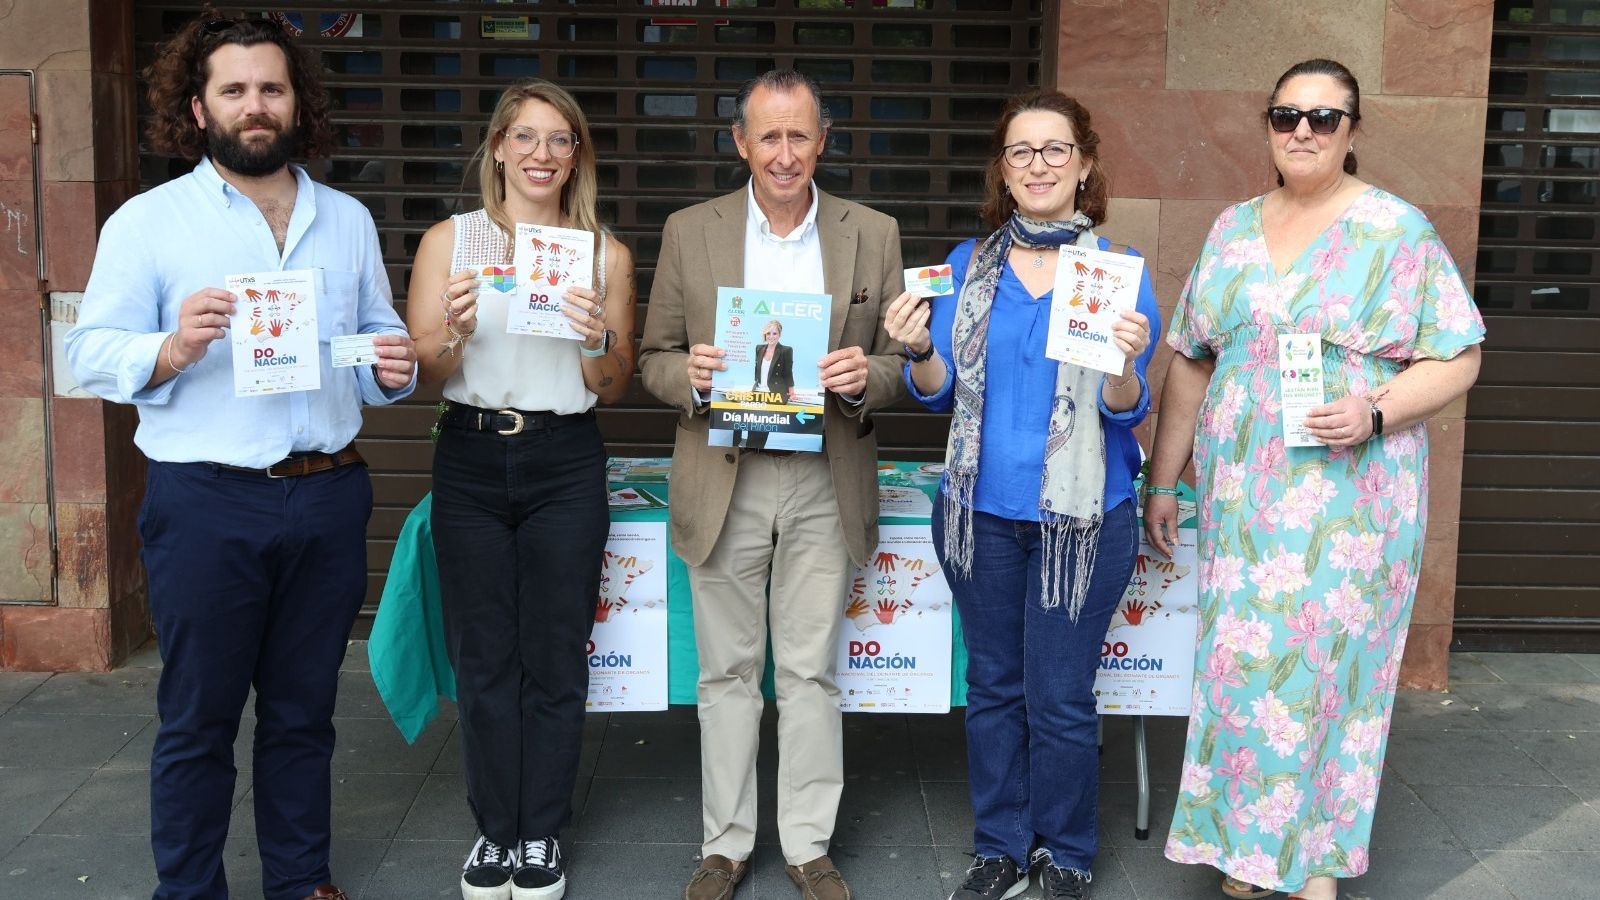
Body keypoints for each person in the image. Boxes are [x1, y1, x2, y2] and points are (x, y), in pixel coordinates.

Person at [64, 12, 417, 900]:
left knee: (304, 712)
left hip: (326, 493)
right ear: (198, 107)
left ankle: (300, 880)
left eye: (271, 88)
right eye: (234, 90)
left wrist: (395, 367)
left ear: (297, 103)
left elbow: (375, 343)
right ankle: (188, 890)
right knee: (198, 717)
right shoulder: (149, 223)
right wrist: (172, 346)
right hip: (206, 502)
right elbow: (86, 354)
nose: (254, 105)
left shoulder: (345, 219)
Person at [1145, 59, 1484, 900]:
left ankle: (1316, 866)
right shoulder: (1231, 229)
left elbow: (1459, 354)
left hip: (1351, 497)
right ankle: (1251, 848)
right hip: (1242, 500)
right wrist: (1164, 481)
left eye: (1324, 117)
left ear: (1352, 130)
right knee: (1243, 667)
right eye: (1286, 114)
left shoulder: (1397, 231)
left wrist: (1377, 411)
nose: (1303, 130)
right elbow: (1191, 359)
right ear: (1267, 125)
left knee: (1330, 674)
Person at [637, 69, 906, 900]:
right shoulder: (692, 230)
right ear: (740, 142)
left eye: (799, 136)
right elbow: (652, 358)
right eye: (769, 137)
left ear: (822, 141)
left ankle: (807, 846)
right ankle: (724, 845)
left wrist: (865, 376)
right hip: (727, 472)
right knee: (726, 672)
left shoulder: (873, 232)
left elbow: (901, 363)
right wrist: (693, 375)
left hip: (824, 473)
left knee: (809, 672)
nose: (784, 154)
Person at [884, 90, 1158, 900]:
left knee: (1061, 697)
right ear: (1002, 171)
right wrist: (918, 348)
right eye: (1020, 151)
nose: (1038, 165)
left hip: (1083, 522)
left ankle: (1065, 852)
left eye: (1055, 149)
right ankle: (1000, 847)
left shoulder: (1117, 273)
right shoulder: (966, 266)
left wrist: (1123, 365)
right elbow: (938, 391)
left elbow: (1126, 410)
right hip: (980, 517)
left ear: (1084, 164)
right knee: (994, 689)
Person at [405, 78, 635, 900]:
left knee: (555, 654)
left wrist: (596, 338)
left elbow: (614, 385)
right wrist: (454, 331)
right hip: (470, 455)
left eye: (560, 139)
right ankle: (494, 830)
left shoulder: (604, 254)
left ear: (577, 156)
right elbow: (425, 370)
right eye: (527, 137)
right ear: (499, 147)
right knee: (483, 656)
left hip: (564, 457)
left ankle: (540, 833)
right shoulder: (451, 241)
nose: (543, 153)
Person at [743, 319, 795, 449]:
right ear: (765, 335)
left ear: (779, 334)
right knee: (752, 423)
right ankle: (750, 449)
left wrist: (792, 391)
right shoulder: (759, 348)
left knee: (763, 425)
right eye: (768, 333)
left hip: (774, 393)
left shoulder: (786, 350)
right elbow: (757, 369)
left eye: (774, 333)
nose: (771, 336)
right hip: (757, 391)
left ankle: (756, 450)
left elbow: (788, 372)